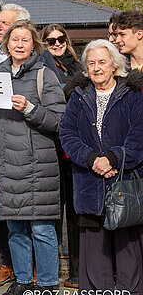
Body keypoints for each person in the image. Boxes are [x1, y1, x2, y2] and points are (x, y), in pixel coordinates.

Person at [0, 20, 66, 295]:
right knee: (16, 229)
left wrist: (30, 108)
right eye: (15, 40)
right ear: (6, 44)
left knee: (42, 230)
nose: (19, 45)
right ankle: (23, 280)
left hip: (37, 164)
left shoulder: (45, 75)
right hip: (5, 160)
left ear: (34, 45)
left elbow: (59, 120)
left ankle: (47, 284)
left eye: (25, 40)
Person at [60, 40, 143, 294]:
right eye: (91, 63)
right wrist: (93, 160)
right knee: (94, 254)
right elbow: (67, 133)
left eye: (102, 62)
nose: (97, 68)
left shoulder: (132, 94)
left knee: (129, 249)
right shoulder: (78, 96)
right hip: (89, 183)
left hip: (124, 181)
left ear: (114, 65)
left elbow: (139, 134)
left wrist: (114, 159)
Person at [40, 24, 84, 288]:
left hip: (75, 149)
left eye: (61, 39)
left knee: (77, 213)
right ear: (43, 43)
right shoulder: (43, 69)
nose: (57, 43)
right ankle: (52, 268)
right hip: (51, 146)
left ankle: (78, 271)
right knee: (53, 212)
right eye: (51, 40)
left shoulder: (79, 68)